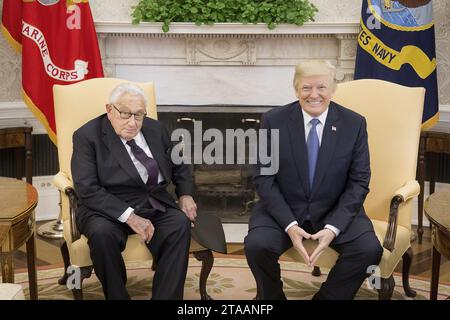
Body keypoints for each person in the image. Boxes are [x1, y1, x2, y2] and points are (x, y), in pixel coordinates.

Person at [244, 60, 383, 300]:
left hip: (334, 209)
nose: (314, 95)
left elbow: (359, 181)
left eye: (321, 87)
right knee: (257, 246)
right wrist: (289, 224)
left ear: (333, 89)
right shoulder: (273, 120)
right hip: (283, 210)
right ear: (296, 88)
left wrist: (332, 227)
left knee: (369, 250)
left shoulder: (354, 123)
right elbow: (264, 177)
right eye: (306, 88)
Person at [71, 83, 223, 300]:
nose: (133, 123)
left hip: (152, 201)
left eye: (139, 115)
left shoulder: (155, 129)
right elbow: (87, 189)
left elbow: (178, 164)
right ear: (109, 109)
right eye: (125, 114)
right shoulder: (87, 136)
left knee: (178, 224)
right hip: (105, 207)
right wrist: (130, 216)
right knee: (102, 235)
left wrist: (185, 194)